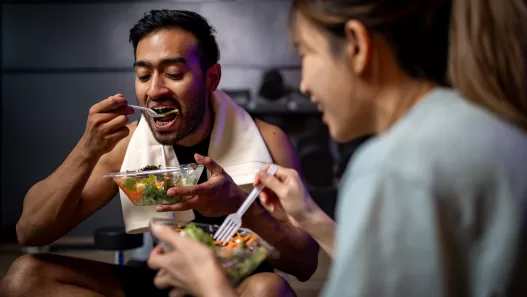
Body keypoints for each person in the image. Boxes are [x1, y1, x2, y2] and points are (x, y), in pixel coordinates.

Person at [144, 0, 527, 296]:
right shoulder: (491, 129)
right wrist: (309, 216)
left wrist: (209, 283)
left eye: (305, 54)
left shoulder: (393, 166)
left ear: (358, 46)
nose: (305, 84)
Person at [0, 9, 319, 297]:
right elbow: (31, 231)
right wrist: (87, 149)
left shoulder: (268, 140)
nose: (154, 90)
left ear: (211, 78)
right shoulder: (126, 144)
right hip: (166, 279)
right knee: (25, 276)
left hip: (238, 281)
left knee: (269, 289)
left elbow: (304, 264)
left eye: (174, 74)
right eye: (143, 75)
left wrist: (239, 204)